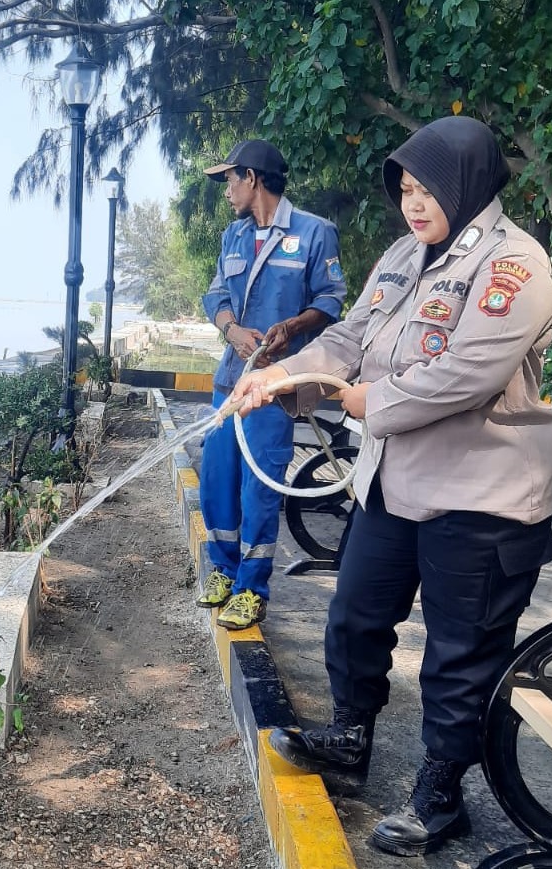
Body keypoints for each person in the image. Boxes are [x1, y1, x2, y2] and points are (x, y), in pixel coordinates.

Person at [229, 116, 552, 856]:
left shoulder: (517, 265)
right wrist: (281, 375)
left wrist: (367, 402)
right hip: (395, 479)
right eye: (405, 189)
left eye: (427, 189)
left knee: (459, 651)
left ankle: (440, 796)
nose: (414, 203)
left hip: (483, 495)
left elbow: (469, 371)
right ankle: (350, 737)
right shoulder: (403, 256)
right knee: (354, 615)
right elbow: (350, 338)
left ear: (467, 185)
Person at [196, 139, 347, 630]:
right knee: (218, 479)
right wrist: (231, 329)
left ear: (252, 178)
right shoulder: (233, 237)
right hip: (230, 379)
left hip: (274, 387)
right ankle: (223, 568)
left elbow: (330, 301)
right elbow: (217, 291)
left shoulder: (314, 233)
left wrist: (292, 327)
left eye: (230, 181)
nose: (226, 192)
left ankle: (251, 588)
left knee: (259, 488)